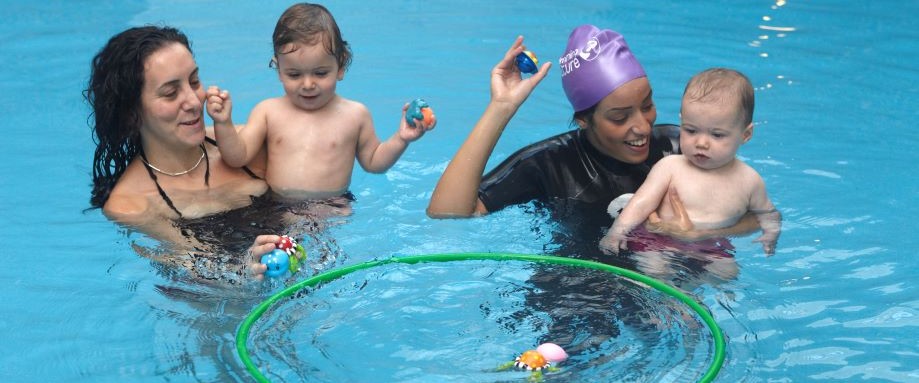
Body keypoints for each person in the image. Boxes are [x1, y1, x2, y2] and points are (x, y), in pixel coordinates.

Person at [427, 25, 758, 245]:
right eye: (619, 117)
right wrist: (500, 107)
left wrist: (700, 233)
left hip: (671, 273)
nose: (642, 126)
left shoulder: (680, 145)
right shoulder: (549, 164)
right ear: (584, 119)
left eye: (647, 105)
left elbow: (752, 215)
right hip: (582, 283)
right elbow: (449, 213)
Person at [86, 25, 274, 281]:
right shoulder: (132, 204)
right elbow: (202, 273)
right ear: (132, 114)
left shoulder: (247, 147)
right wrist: (243, 270)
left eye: (194, 82)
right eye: (171, 93)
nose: (195, 102)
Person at [207, 3, 435, 201]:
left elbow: (374, 163)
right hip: (276, 205)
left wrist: (401, 139)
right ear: (279, 70)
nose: (307, 84)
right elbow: (237, 157)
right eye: (294, 75)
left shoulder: (355, 115)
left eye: (320, 73)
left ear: (341, 66)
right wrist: (223, 122)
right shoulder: (268, 111)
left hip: (332, 207)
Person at [600, 68, 781, 256]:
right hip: (658, 240)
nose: (701, 143)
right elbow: (641, 202)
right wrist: (617, 232)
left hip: (710, 245)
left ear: (745, 135)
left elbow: (767, 213)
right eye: (691, 131)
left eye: (717, 135)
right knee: (655, 268)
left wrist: (771, 234)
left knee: (727, 273)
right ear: (682, 122)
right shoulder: (670, 167)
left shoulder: (750, 180)